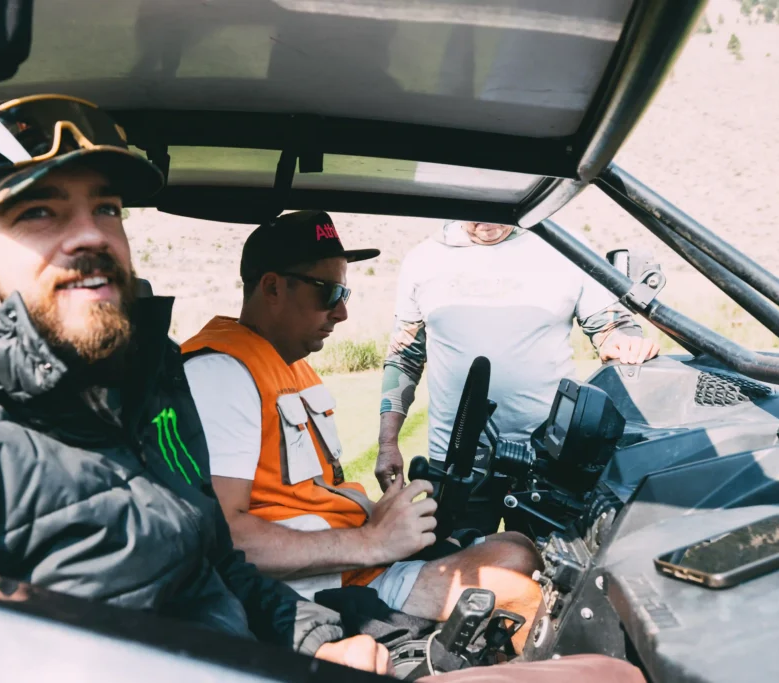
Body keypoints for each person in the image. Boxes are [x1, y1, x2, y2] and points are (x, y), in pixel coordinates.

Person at [0, 96, 389, 674]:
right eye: (38, 211)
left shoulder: (128, 396)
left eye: (106, 207)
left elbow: (210, 558)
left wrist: (313, 640)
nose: (92, 234)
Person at [180, 211, 542, 653]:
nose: (343, 311)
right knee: (519, 591)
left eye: (344, 292)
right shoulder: (222, 372)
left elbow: (313, 492)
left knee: (519, 546)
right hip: (322, 587)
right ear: (273, 287)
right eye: (328, 292)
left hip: (360, 561)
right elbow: (224, 537)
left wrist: (384, 512)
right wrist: (372, 541)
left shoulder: (290, 367)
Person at [374, 221, 660, 490]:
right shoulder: (423, 258)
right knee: (456, 545)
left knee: (549, 545)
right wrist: (387, 444)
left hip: (550, 455)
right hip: (457, 459)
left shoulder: (563, 246)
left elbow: (610, 327)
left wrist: (625, 343)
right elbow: (404, 357)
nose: (487, 221)